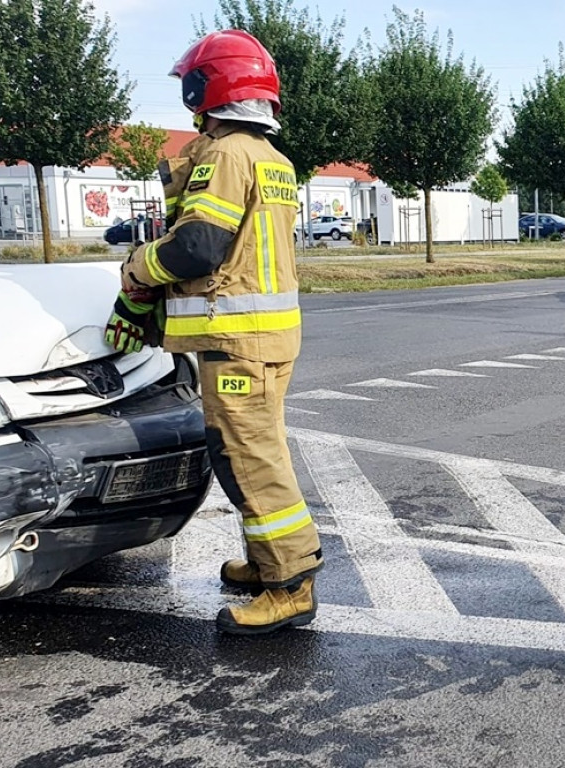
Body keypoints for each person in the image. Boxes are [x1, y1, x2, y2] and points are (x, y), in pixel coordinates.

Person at [104, 29, 323, 635]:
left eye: (192, 86)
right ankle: (265, 561)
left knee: (248, 461)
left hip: (235, 341)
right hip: (268, 338)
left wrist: (138, 268)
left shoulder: (225, 156)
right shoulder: (273, 160)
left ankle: (289, 584)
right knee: (261, 452)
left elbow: (200, 248)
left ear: (209, 88)